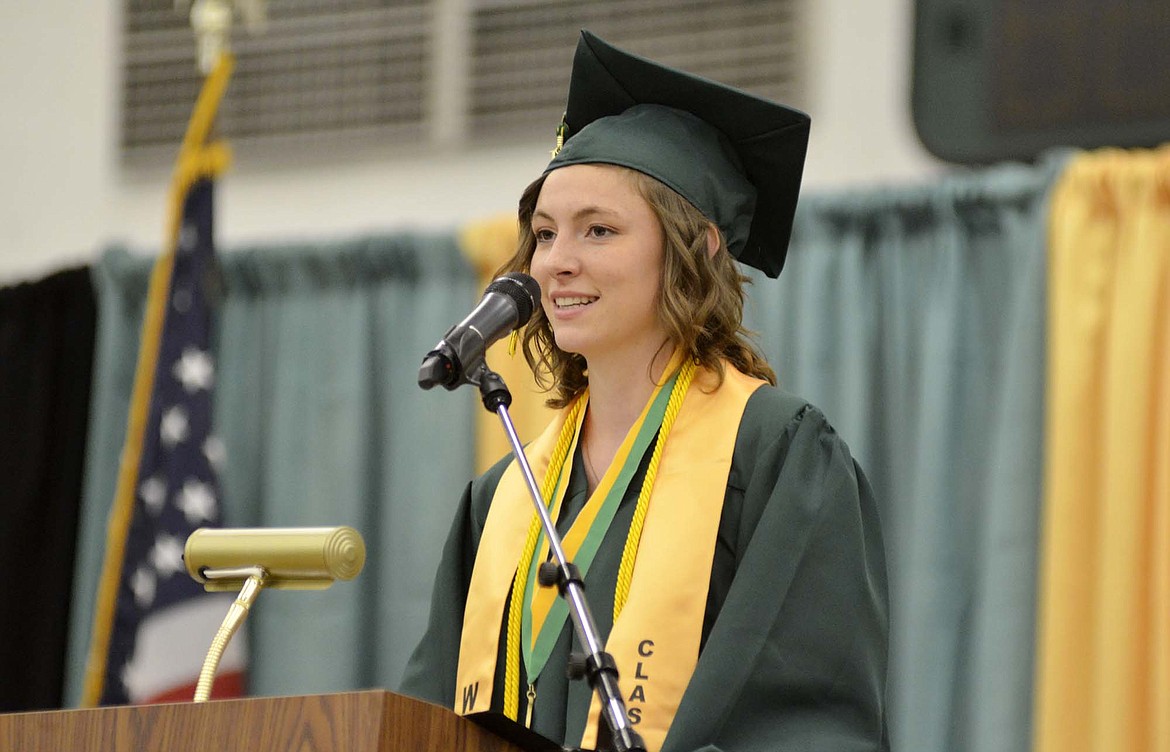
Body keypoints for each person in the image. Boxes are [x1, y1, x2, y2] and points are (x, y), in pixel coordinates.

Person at [402, 30, 890, 752]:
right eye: (544, 233)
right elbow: (425, 724)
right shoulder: (503, 497)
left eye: (598, 231)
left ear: (697, 249)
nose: (558, 262)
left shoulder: (774, 457)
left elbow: (807, 724)